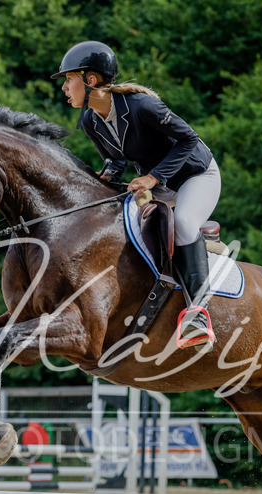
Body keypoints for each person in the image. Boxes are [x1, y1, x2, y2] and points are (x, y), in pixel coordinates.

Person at [53, 40, 221, 349]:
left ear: (91, 80)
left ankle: (198, 312)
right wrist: (107, 175)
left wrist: (153, 177)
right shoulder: (91, 120)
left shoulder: (143, 106)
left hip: (197, 175)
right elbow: (117, 158)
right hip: (159, 185)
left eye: (69, 79)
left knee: (184, 223)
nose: (64, 87)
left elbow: (188, 140)